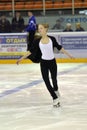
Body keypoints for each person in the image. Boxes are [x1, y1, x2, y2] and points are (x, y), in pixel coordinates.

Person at [16, 23, 74, 107]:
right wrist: (21, 59)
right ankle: (54, 98)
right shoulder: (37, 41)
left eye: (41, 28)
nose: (39, 30)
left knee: (54, 80)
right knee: (46, 81)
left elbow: (59, 47)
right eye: (39, 29)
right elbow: (30, 51)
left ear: (46, 29)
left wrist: (69, 55)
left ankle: (56, 90)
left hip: (52, 62)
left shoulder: (52, 39)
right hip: (43, 63)